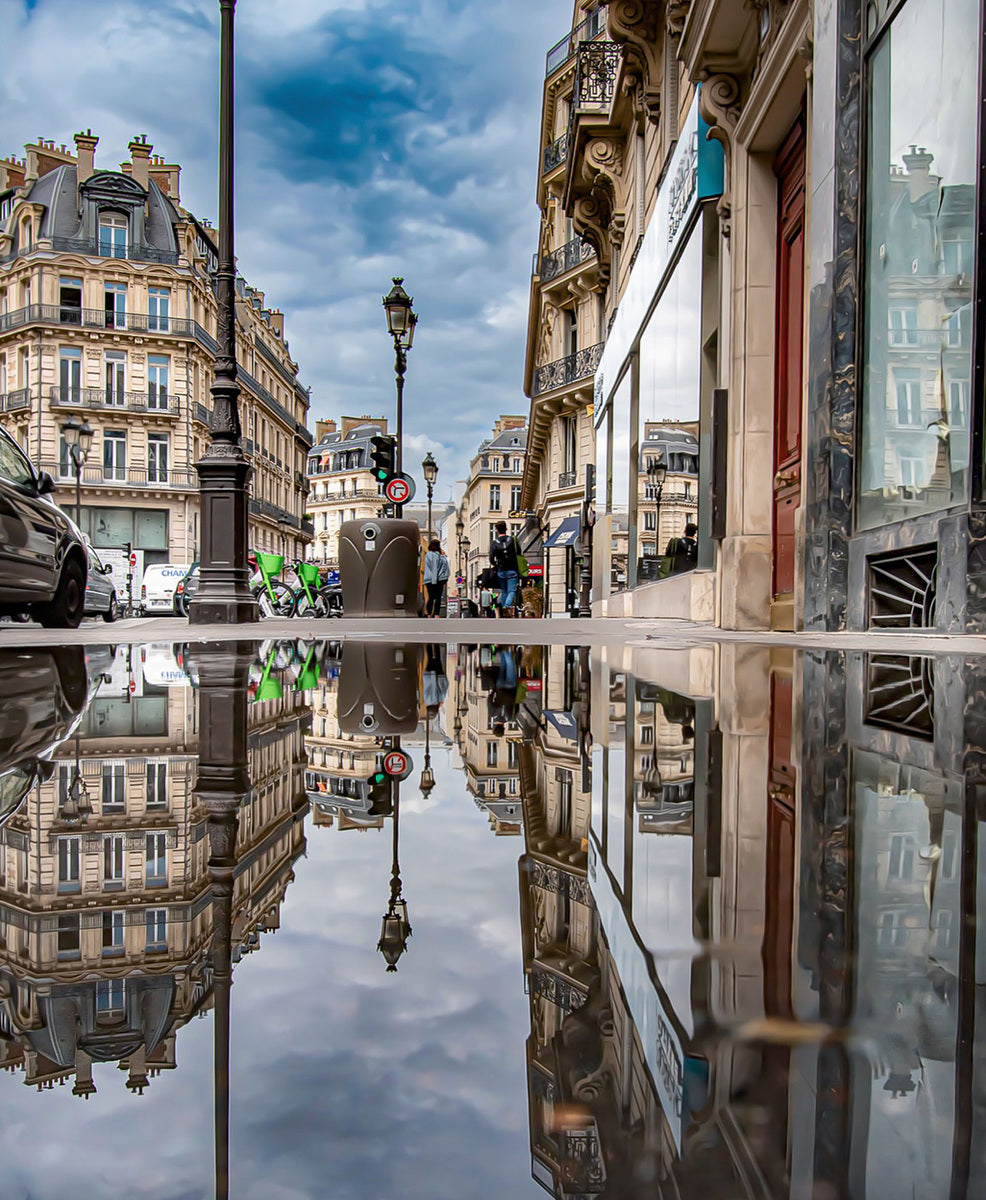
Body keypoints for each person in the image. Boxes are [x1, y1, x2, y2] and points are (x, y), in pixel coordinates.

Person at [489, 520, 520, 616]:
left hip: (501, 570)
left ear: (496, 530)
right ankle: (507, 605)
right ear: (506, 529)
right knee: (512, 590)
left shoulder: (494, 543)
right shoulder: (512, 540)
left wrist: (495, 564)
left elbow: (491, 557)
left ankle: (503, 607)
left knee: (504, 590)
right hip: (512, 569)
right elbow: (519, 552)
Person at [423, 539, 450, 617]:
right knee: (437, 597)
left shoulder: (428, 554)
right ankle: (435, 614)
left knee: (431, 597)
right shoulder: (435, 555)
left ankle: (428, 613)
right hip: (435, 579)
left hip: (428, 579)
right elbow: (435, 568)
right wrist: (434, 581)